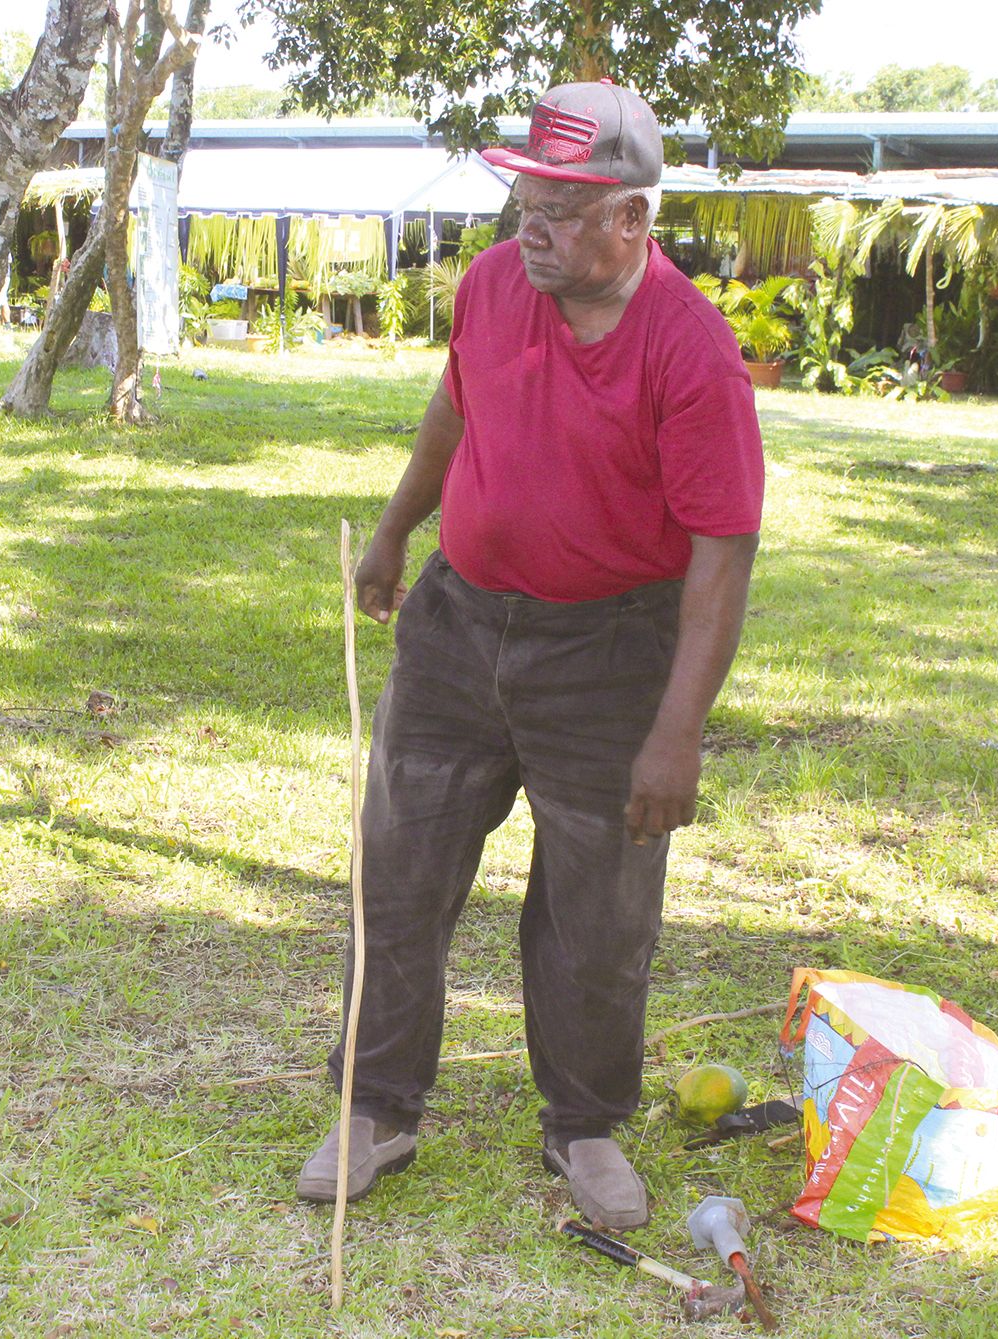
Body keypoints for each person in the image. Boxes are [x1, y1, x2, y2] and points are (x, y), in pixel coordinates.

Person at [296, 80, 764, 1230]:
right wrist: (399, 528)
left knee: (596, 909)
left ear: (633, 221)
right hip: (458, 625)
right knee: (398, 869)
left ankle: (585, 1124)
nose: (530, 229)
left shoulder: (692, 354)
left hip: (608, 653)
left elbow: (722, 553)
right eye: (523, 201)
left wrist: (675, 733)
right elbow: (453, 408)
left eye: (563, 207)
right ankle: (375, 1104)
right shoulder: (495, 284)